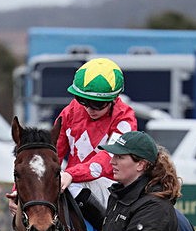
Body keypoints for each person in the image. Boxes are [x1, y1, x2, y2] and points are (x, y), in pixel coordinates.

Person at [56, 57, 137, 221]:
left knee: (73, 186)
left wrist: (71, 174)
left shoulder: (124, 119)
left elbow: (109, 158)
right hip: (73, 180)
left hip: (111, 185)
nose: (89, 109)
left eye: (97, 104)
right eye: (83, 101)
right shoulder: (71, 110)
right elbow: (53, 151)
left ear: (114, 99)